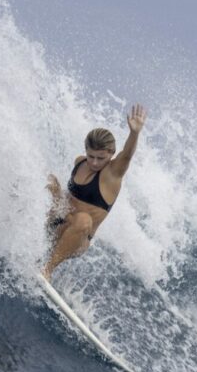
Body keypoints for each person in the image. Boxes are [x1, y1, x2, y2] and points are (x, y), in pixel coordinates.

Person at [42, 103, 148, 280]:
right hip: (58, 222)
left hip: (78, 237)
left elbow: (127, 155)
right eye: (91, 156)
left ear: (112, 153)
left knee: (84, 220)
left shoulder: (112, 174)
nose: (95, 162)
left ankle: (47, 270)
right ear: (86, 151)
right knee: (49, 179)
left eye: (101, 158)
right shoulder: (79, 162)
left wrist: (134, 133)